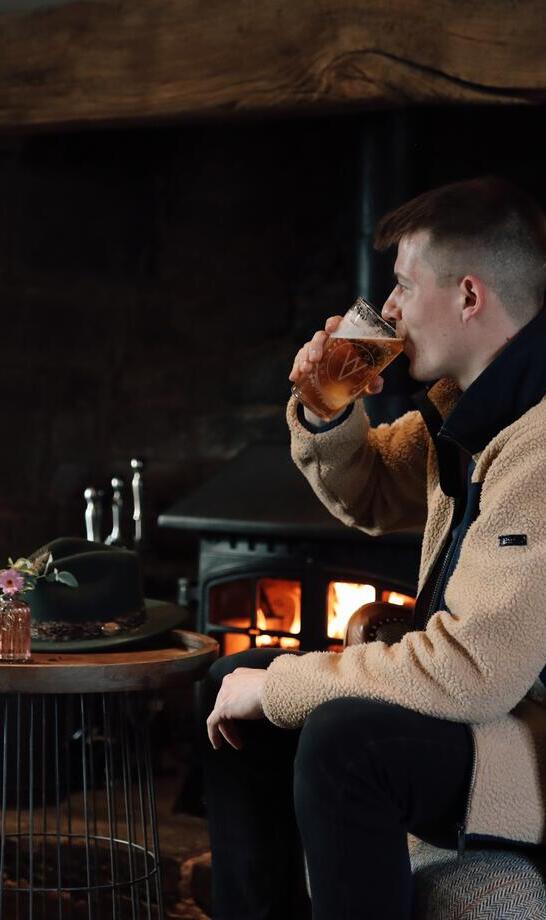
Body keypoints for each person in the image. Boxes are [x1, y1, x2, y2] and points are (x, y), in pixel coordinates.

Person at [203, 175, 546, 920]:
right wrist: (328, 411)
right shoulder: (473, 409)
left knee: (341, 742)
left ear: (468, 296)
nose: (387, 309)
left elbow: (474, 672)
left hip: (528, 742)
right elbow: (370, 493)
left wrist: (287, 685)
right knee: (232, 684)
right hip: (489, 713)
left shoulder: (540, 442)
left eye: (400, 284)